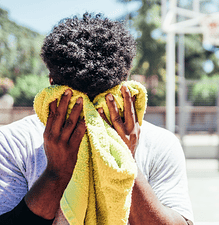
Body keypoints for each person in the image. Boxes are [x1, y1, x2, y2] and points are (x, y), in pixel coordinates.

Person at [0, 13, 194, 225]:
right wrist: (56, 173)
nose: (91, 122)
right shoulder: (13, 142)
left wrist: (126, 162)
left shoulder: (161, 144)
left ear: (51, 83)